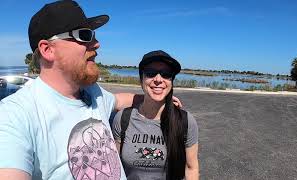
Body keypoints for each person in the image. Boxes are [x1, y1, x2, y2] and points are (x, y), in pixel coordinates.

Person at [0, 1, 181, 180]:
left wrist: (155, 99)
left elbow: (119, 100)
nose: (96, 44)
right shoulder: (15, 114)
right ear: (47, 50)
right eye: (84, 35)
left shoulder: (92, 92)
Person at [112, 50, 199, 180]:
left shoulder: (185, 121)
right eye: (151, 73)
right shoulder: (123, 119)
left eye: (166, 74)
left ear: (171, 81)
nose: (158, 79)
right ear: (141, 79)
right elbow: (114, 167)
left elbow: (191, 168)